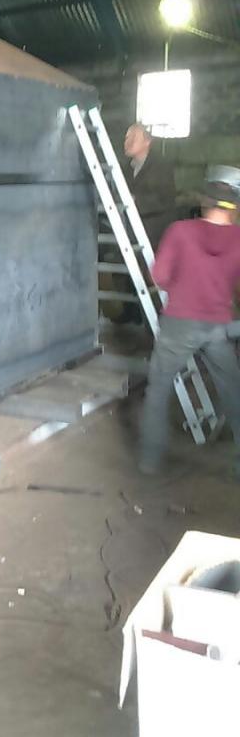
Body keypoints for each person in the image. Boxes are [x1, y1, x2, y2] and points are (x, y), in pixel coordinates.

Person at [138, 179, 240, 475]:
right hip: (218, 326)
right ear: (233, 210)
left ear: (203, 204)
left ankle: (150, 461)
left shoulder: (180, 231)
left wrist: (181, 285)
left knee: (158, 389)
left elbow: (160, 275)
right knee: (233, 392)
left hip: (179, 324)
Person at [123, 123, 176, 250]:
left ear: (147, 141)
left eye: (134, 138)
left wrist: (134, 201)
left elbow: (165, 198)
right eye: (127, 138)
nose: (128, 142)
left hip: (153, 235)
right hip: (128, 234)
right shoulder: (123, 168)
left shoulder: (161, 166)